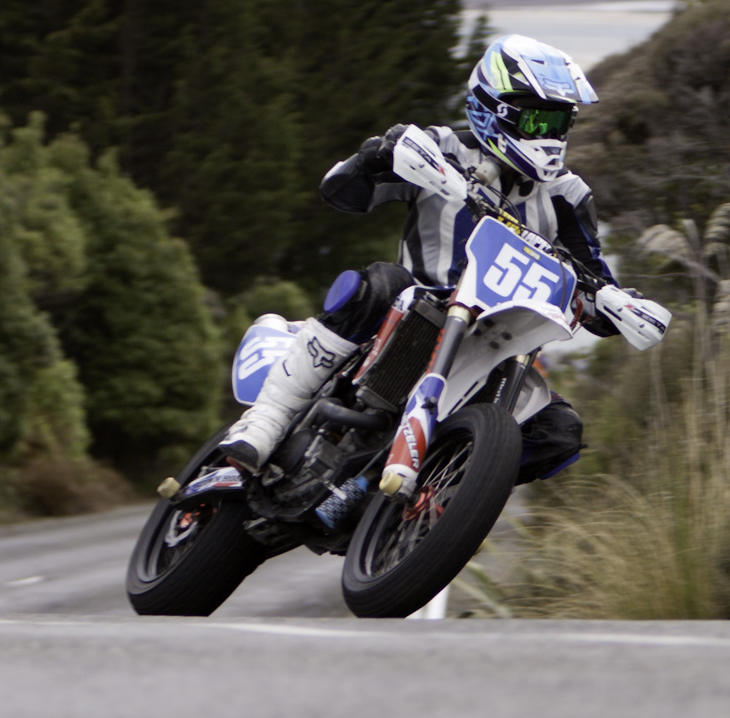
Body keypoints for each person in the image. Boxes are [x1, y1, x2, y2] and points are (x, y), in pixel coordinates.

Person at [221, 34, 620, 484]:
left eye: (558, 122)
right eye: (536, 119)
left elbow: (593, 277)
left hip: (497, 340)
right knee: (380, 283)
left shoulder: (568, 195)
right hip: (412, 309)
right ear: (496, 109)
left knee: (559, 434)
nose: (549, 135)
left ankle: (434, 496)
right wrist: (373, 158)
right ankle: (265, 421)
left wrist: (618, 306)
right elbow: (341, 194)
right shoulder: (441, 147)